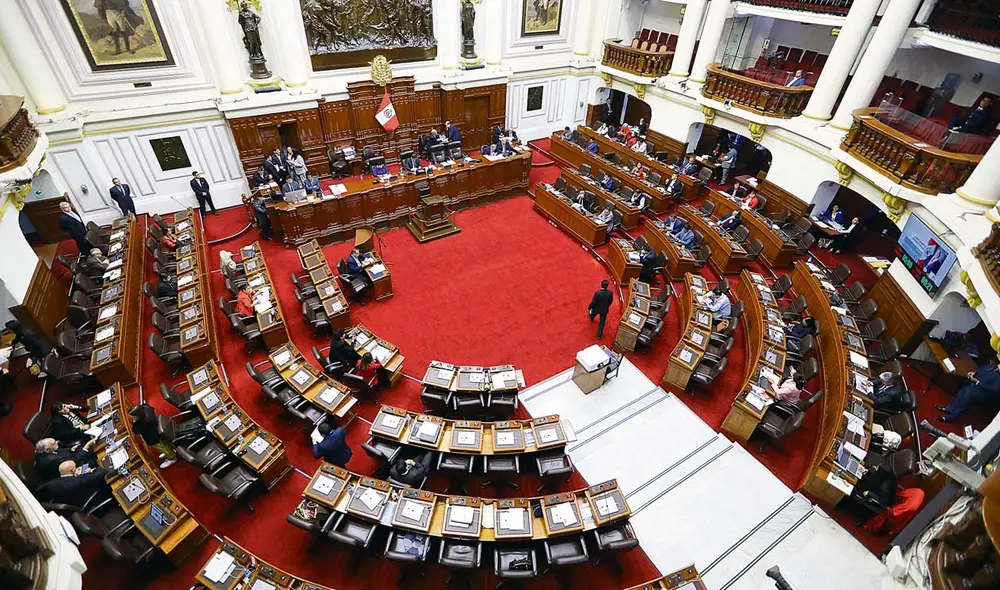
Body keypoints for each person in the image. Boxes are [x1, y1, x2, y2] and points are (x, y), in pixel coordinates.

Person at [43, 460, 110, 507]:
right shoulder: (78, 481)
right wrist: (91, 471)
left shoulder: (53, 482)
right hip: (87, 500)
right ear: (72, 471)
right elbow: (101, 472)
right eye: (76, 466)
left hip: (68, 500)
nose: (78, 467)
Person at [129, 404, 176, 468]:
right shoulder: (146, 408)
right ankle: (171, 450)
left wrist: (134, 422)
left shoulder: (142, 422)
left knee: (162, 447)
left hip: (153, 438)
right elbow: (151, 407)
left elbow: (135, 431)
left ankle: (171, 458)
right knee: (164, 443)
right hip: (156, 430)